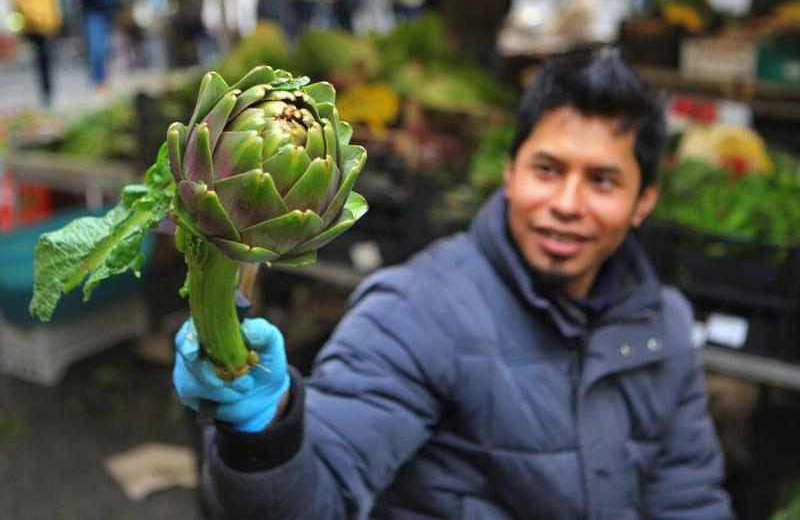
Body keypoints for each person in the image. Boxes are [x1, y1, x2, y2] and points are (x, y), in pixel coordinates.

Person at [173, 48, 733, 519]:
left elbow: (690, 498)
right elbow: (319, 499)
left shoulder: (663, 324)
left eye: (603, 181)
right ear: (510, 172)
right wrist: (265, 434)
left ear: (645, 202)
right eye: (547, 169)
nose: (566, 204)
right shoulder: (415, 311)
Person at [10, 0, 62, 107]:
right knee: (42, 58)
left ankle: (48, 93)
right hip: (35, 22)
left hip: (47, 21)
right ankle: (47, 93)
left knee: (45, 58)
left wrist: (54, 19)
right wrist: (33, 16)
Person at [80, 0, 116, 88]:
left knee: (104, 48)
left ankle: (102, 79)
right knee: (97, 49)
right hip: (94, 12)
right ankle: (98, 80)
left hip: (105, 12)